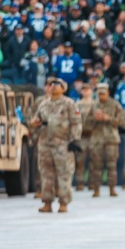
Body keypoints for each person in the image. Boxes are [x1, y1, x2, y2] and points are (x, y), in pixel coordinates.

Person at [30, 77, 81, 213]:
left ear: (63, 88)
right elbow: (36, 119)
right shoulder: (43, 104)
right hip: (45, 143)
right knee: (46, 174)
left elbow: (76, 122)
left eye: (57, 84)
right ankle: (47, 202)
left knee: (64, 173)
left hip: (62, 144)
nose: (53, 86)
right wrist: (34, 123)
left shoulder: (69, 104)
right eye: (51, 84)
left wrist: (75, 139)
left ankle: (63, 203)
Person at [87, 83, 123, 197]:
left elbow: (122, 121)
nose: (101, 96)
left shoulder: (115, 105)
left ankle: (112, 188)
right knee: (96, 166)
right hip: (97, 139)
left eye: (103, 94)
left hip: (111, 139)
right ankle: (96, 189)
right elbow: (87, 123)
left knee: (111, 166)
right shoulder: (93, 105)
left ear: (108, 93)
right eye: (99, 94)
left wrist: (108, 118)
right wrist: (94, 119)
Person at [74, 83, 95, 191]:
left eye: (88, 89)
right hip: (81, 136)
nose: (86, 91)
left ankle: (92, 183)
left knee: (94, 161)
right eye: (84, 90)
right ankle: (80, 183)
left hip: (93, 135)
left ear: (91, 91)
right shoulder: (77, 104)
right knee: (80, 161)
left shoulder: (96, 104)